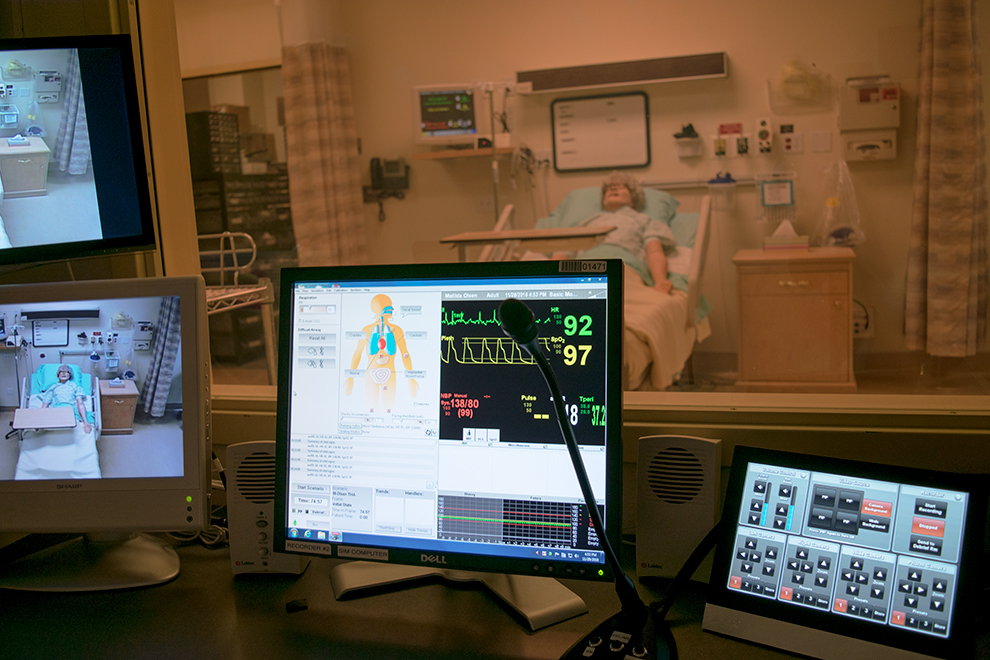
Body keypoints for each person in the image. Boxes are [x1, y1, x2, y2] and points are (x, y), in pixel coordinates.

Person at [555, 171, 677, 294]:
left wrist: (660, 281)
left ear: (634, 197)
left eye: (622, 187)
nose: (613, 188)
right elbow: (564, 253)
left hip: (625, 267)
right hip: (583, 269)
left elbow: (654, 251)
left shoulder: (644, 220)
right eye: (608, 189)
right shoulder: (587, 223)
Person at [344, 294, 419, 413]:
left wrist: (411, 378)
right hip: (373, 376)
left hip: (389, 375)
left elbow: (405, 354)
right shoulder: (367, 330)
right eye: (389, 306)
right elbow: (357, 354)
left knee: (387, 411)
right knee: (372, 411)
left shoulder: (397, 330)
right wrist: (350, 378)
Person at [41, 364, 93, 434]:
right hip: (56, 410)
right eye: (61, 372)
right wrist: (39, 421)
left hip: (71, 411)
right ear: (58, 375)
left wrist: (85, 422)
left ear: (69, 375)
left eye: (66, 372)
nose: (63, 373)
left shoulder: (74, 386)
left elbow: (80, 403)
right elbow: (45, 404)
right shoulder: (53, 388)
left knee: (73, 429)